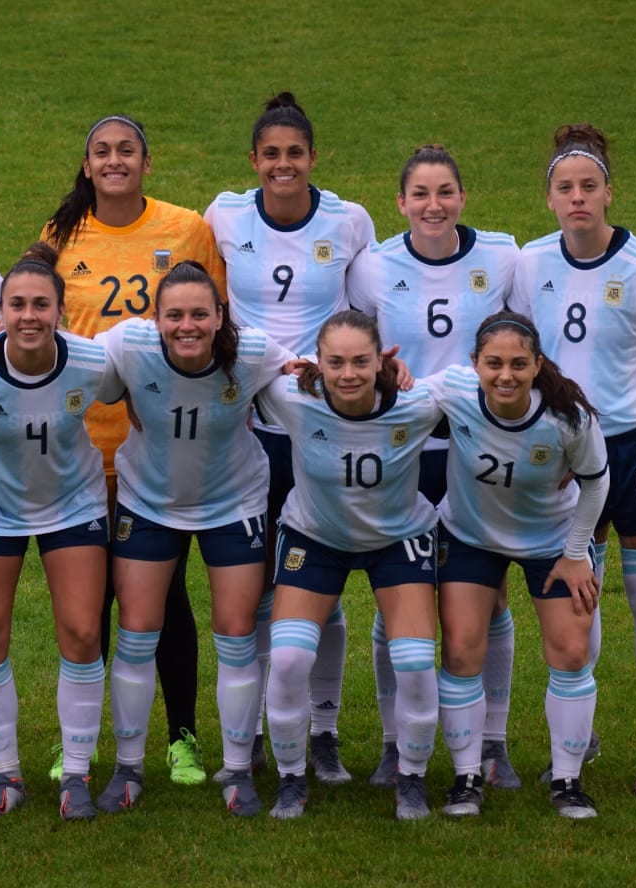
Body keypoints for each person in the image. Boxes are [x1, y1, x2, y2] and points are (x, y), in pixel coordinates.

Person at [509, 123, 636, 797]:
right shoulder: (530, 264)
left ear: (609, 194)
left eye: (589, 186)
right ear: (549, 199)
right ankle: (576, 741)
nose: (578, 197)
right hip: (564, 457)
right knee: (576, 596)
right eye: (566, 188)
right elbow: (519, 359)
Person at [41, 114, 227, 785]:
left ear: (147, 162)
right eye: (101, 152)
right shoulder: (61, 235)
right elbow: (32, 315)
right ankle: (81, 744)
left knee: (164, 598)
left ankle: (182, 738)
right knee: (87, 608)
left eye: (126, 151)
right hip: (82, 454)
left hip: (161, 451)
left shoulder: (186, 231)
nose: (114, 161)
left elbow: (216, 327)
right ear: (86, 165)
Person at [204, 92, 376, 783]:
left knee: (320, 584)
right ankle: (248, 745)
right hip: (247, 431)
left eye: (294, 154)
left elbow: (366, 312)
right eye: (270, 154)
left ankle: (323, 732)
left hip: (319, 430)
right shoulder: (223, 215)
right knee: (258, 593)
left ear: (313, 158)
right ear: (254, 161)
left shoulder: (348, 220)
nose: (283, 165)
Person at [348, 143, 524, 789]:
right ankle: (396, 743)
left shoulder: (502, 256)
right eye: (420, 194)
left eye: (445, 191)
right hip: (404, 450)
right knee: (398, 596)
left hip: (478, 451)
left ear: (463, 197)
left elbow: (522, 349)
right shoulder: (373, 267)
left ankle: (494, 744)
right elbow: (358, 350)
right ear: (400, 203)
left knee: (489, 592)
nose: (433, 205)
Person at [94, 261, 296, 818]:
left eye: (200, 314)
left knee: (235, 633)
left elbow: (311, 377)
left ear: (220, 316)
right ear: (154, 319)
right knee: (136, 632)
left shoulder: (253, 352)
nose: (188, 325)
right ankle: (128, 768)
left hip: (234, 505)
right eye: (175, 314)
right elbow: (67, 362)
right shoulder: (128, 343)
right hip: (149, 502)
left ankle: (237, 771)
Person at [0, 244, 117, 821]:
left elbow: (128, 397)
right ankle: (5, 775)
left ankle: (77, 777)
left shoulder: (91, 362)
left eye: (41, 304)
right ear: (0, 312)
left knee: (83, 633)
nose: (29, 315)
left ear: (61, 311)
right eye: (17, 305)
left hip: (73, 505)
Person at [255, 311, 441, 821]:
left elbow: (485, 385)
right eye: (334, 362)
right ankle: (292, 779)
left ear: (383, 359)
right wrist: (278, 360)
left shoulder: (419, 404)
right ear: (318, 362)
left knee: (416, 662)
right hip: (315, 536)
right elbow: (238, 361)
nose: (348, 374)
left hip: (398, 538)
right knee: (290, 659)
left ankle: (412, 778)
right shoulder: (293, 398)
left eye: (361, 361)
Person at [428, 311, 608, 819]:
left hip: (552, 541)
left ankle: (567, 782)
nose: (504, 375)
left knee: (571, 653)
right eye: (493, 364)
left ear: (537, 365)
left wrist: (577, 554)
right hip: (469, 536)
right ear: (474, 365)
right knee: (462, 650)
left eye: (517, 364)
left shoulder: (569, 418)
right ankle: (466, 778)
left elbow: (596, 482)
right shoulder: (454, 390)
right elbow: (396, 396)